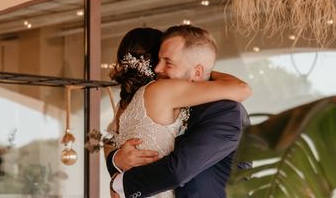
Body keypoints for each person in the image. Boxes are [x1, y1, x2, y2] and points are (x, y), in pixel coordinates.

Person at [107, 25, 252, 198]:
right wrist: (115, 160)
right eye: (157, 60)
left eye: (168, 62)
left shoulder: (224, 110)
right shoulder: (165, 100)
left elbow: (178, 170)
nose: (157, 69)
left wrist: (120, 184)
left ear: (197, 71)